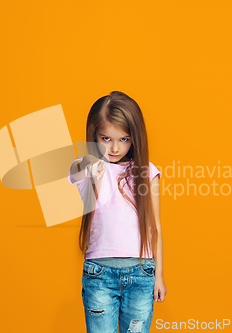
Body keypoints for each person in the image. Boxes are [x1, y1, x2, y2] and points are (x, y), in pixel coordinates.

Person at [68, 91, 167, 333]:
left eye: (124, 139)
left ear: (135, 138)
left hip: (141, 271)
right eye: (105, 138)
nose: (114, 147)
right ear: (94, 134)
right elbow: (80, 179)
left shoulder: (146, 171)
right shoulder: (86, 167)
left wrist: (160, 275)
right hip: (99, 273)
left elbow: (155, 227)